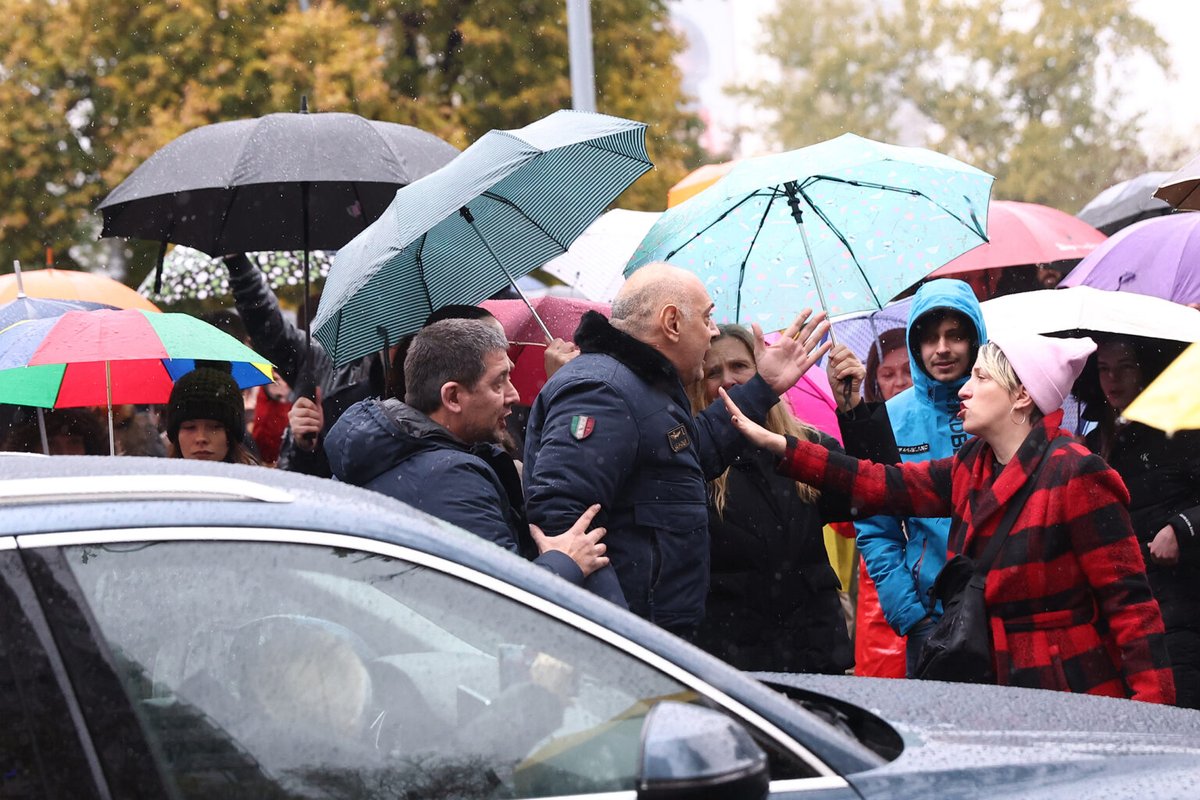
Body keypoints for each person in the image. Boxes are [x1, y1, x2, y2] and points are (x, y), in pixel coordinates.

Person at [722, 332, 1175, 704]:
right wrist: (782, 445)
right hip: (988, 685)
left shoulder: (1078, 473)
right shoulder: (973, 464)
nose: (963, 389)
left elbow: (1130, 607)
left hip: (1067, 689)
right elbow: (882, 483)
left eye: (981, 377)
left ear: (1022, 395)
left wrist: (1152, 713)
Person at [523, 262, 831, 636]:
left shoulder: (642, 386)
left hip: (658, 636)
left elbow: (691, 455)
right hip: (635, 643)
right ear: (671, 322)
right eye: (707, 317)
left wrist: (763, 387)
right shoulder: (605, 391)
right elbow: (567, 524)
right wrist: (619, 638)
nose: (713, 331)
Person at [324, 319, 611, 588]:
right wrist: (565, 563)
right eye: (498, 383)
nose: (513, 395)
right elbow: (502, 598)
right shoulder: (449, 477)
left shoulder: (396, 452)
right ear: (452, 397)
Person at [826, 279, 986, 675]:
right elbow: (875, 529)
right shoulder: (891, 418)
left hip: (1001, 611)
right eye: (930, 338)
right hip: (930, 619)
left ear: (976, 339)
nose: (942, 348)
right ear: (916, 344)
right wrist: (912, 618)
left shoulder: (1000, 404)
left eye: (955, 335)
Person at [686, 324, 854, 673]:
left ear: (762, 370)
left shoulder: (807, 446)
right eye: (713, 372)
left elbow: (870, 498)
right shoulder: (690, 461)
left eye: (739, 366)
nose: (728, 380)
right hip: (734, 663)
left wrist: (854, 412)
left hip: (816, 654)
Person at [1076, 334, 1200, 708]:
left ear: (1143, 369)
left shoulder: (1181, 431)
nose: (1113, 379)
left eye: (1125, 367)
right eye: (1104, 369)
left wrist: (1182, 528)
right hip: (1120, 609)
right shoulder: (1090, 445)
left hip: (1181, 602)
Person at [854, 325, 913, 678]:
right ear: (875, 381)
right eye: (888, 374)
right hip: (880, 592)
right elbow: (852, 524)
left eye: (908, 371)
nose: (899, 382)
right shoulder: (865, 431)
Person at [166, 367, 260, 465]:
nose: (201, 438)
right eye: (190, 427)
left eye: (214, 427)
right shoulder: (160, 473)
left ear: (231, 435)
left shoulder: (253, 474)